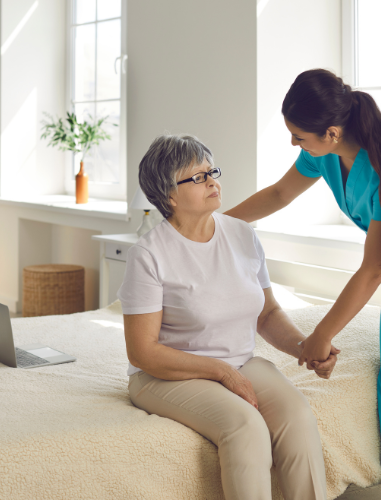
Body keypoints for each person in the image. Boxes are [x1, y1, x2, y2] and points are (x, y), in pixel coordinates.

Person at [225, 68, 381, 500]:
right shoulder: (325, 153)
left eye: (299, 136)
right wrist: (215, 225)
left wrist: (321, 335)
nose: (294, 143)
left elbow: (371, 270)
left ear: (331, 131)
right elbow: (278, 195)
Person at [118, 134, 340, 500]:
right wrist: (221, 372)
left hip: (240, 362)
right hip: (165, 375)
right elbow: (142, 352)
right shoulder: (149, 254)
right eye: (198, 177)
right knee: (246, 426)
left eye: (212, 172)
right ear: (168, 195)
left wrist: (305, 347)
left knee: (297, 415)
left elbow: (267, 314)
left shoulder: (242, 235)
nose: (213, 182)